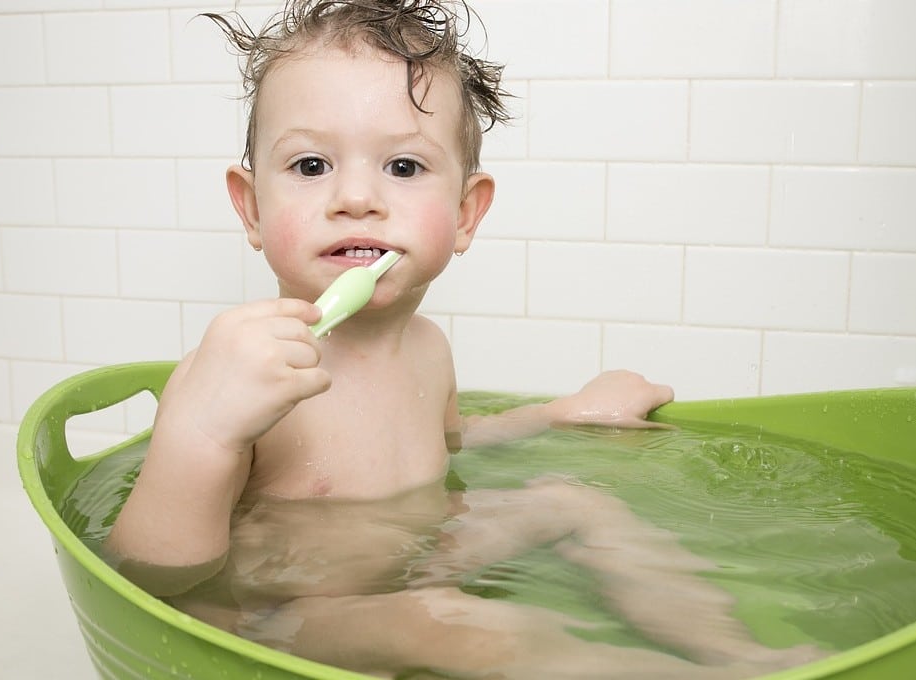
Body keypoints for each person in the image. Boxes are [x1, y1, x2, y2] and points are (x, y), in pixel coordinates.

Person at [105, 1, 822, 677]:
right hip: (290, 617)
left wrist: (555, 414)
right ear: (252, 205)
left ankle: (743, 658)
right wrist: (200, 431)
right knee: (453, 626)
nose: (357, 197)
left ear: (466, 212)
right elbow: (143, 571)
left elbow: (448, 443)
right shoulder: (240, 374)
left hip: (425, 553)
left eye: (404, 167)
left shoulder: (426, 347)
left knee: (572, 498)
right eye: (311, 166)